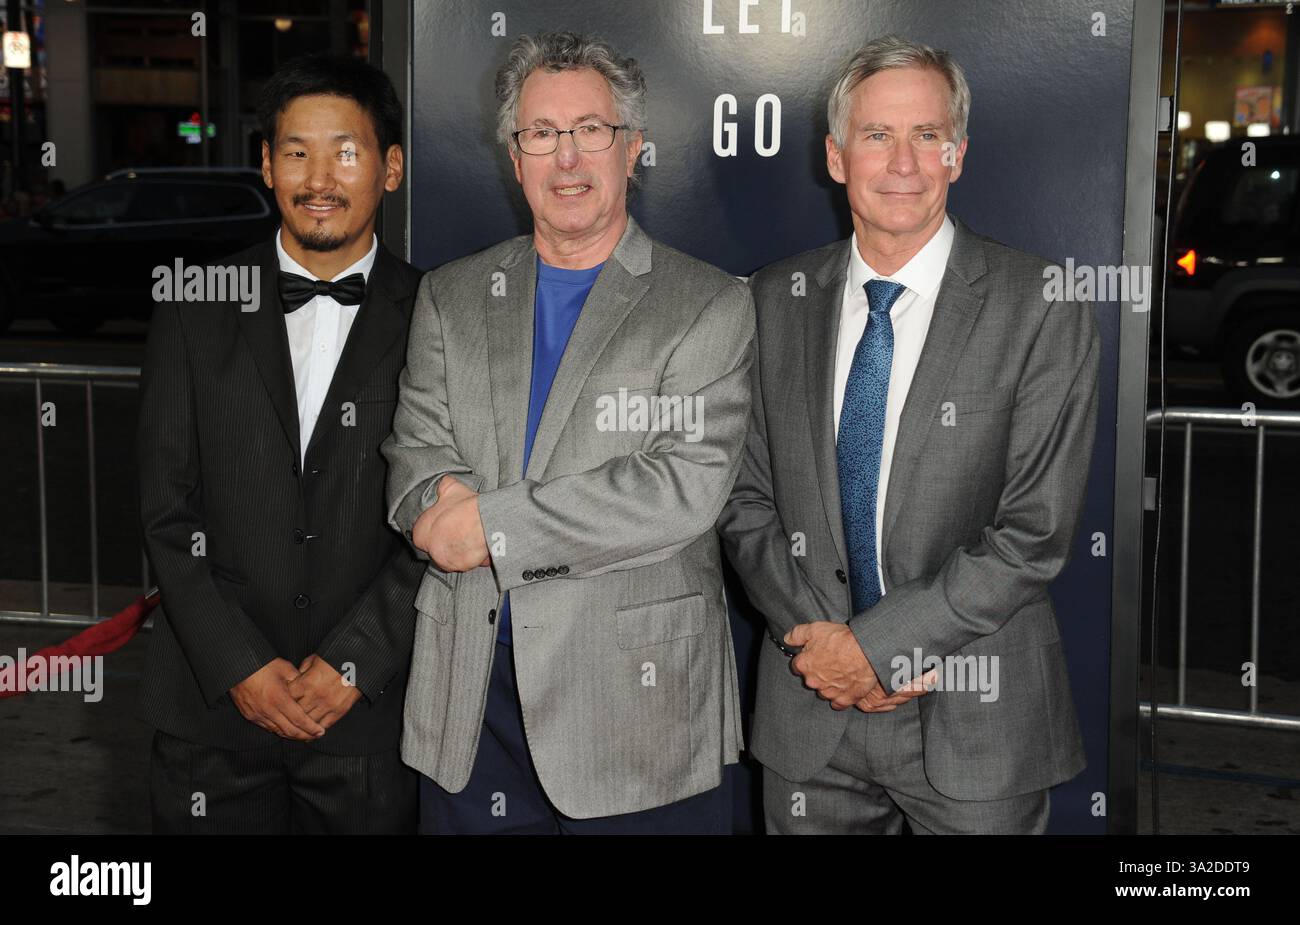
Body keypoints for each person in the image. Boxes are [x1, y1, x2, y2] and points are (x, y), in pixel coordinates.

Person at [717, 35, 1099, 834]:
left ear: (957, 154)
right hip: (809, 706)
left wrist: (877, 649)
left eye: (927, 135)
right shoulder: (771, 301)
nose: (903, 162)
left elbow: (1034, 533)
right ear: (835, 155)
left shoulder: (1041, 304)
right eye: (877, 135)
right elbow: (743, 499)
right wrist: (816, 644)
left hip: (977, 720)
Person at [382, 31, 753, 834]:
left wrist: (485, 522)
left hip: (636, 716)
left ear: (633, 149)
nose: (568, 158)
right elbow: (413, 453)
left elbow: (678, 489)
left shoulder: (708, 304)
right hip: (471, 709)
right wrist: (431, 498)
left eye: (592, 130)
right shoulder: (449, 296)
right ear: (515, 159)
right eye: (542, 135)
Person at [136, 53, 422, 833]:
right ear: (266, 164)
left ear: (390, 168)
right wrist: (239, 664)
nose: (318, 177)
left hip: (369, 723)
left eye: (347, 151)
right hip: (211, 717)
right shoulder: (193, 307)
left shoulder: (441, 316)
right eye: (296, 151)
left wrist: (354, 662)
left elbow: (444, 516)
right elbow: (166, 509)